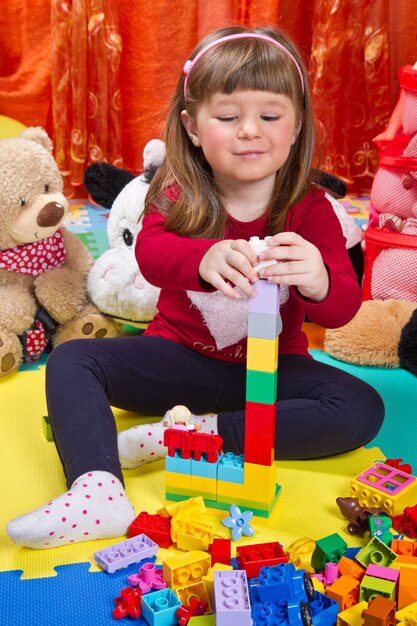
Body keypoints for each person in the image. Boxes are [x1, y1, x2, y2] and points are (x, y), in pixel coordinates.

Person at [7, 25, 385, 549]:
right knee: (74, 360)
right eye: (228, 118)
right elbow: (152, 256)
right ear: (191, 125)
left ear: (296, 125)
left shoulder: (312, 208)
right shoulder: (178, 191)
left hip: (271, 373)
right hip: (177, 358)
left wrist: (320, 279)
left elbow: (343, 308)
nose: (249, 131)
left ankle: (186, 436)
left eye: (270, 117)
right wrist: (203, 255)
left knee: (363, 408)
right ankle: (97, 489)